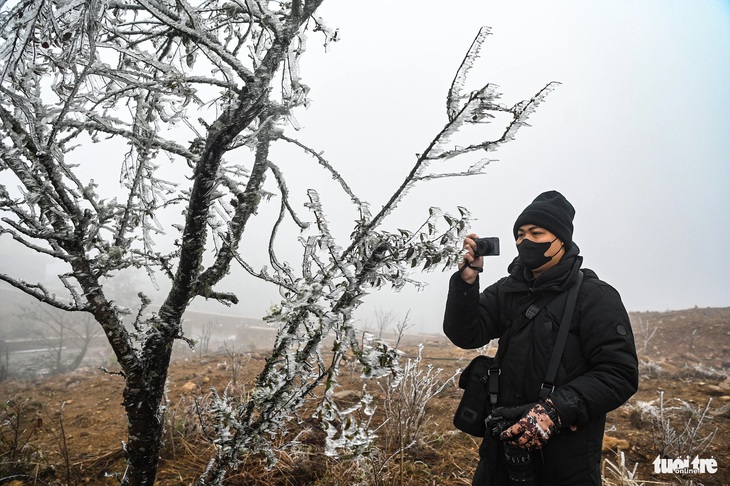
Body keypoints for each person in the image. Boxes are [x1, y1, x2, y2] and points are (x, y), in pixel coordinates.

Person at [443, 190, 639, 485]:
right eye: (520, 234)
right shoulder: (508, 290)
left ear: (562, 239)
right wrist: (466, 282)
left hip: (565, 458)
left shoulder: (594, 296)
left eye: (536, 232)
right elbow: (466, 334)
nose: (525, 241)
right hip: (502, 447)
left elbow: (619, 373)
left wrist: (555, 410)